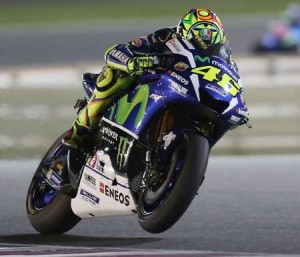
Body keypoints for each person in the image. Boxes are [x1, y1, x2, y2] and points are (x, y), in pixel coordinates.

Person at [62, 8, 237, 154]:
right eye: (201, 31)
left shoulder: (227, 60)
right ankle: (79, 132)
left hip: (189, 92)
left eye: (210, 32)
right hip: (152, 82)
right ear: (184, 30)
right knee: (114, 76)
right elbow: (119, 50)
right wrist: (133, 62)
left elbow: (234, 83)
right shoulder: (166, 37)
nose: (205, 37)